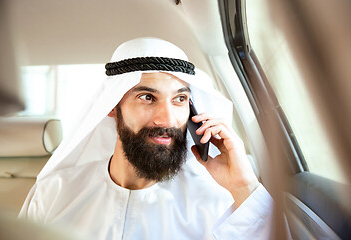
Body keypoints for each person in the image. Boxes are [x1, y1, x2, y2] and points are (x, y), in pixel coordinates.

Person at [19, 38, 276, 239]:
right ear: (112, 106)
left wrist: (244, 188)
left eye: (180, 99)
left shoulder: (218, 203)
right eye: (147, 97)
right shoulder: (54, 194)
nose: (167, 119)